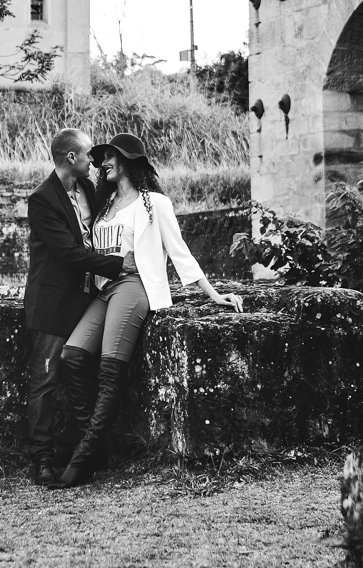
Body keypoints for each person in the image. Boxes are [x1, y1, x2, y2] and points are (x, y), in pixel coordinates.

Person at [49, 133, 243, 489]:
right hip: (104, 291)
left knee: (109, 372)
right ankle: (97, 452)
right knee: (72, 357)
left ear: (128, 161)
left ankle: (81, 459)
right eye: (101, 158)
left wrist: (214, 295)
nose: (102, 163)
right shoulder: (105, 205)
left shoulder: (154, 203)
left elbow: (179, 251)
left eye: (109, 157)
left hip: (135, 286)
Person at [22, 128, 137, 486]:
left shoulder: (89, 189)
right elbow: (69, 254)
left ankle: (81, 450)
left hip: (90, 298)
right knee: (44, 380)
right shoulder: (42, 199)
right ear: (71, 157)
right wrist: (120, 265)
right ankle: (42, 459)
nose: (96, 161)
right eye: (89, 154)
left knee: (80, 369)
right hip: (54, 302)